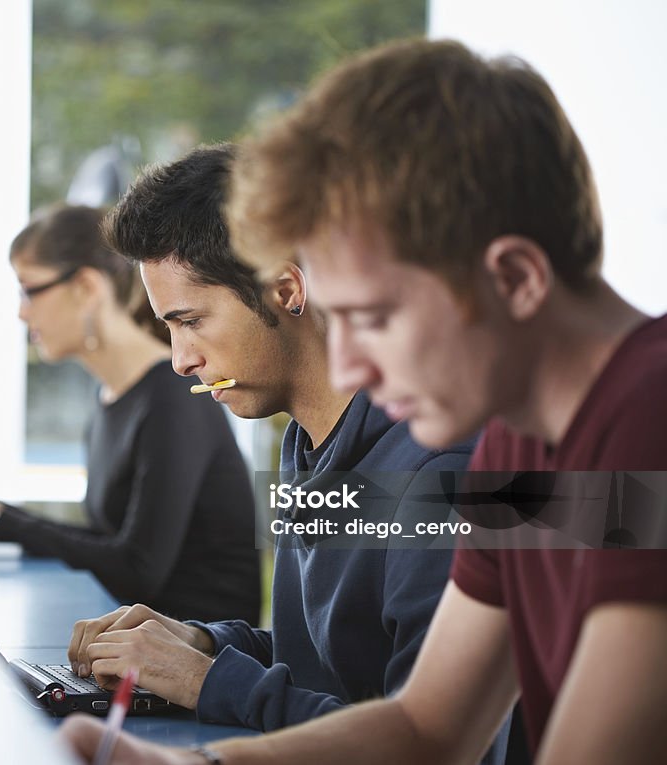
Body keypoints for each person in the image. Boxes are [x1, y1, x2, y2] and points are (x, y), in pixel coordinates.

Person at [59, 40, 667, 764]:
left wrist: (219, 684)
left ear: (514, 278)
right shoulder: (517, 442)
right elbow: (427, 727)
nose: (346, 365)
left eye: (373, 317)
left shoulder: (645, 419)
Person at [65, 145, 509, 759]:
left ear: (286, 289)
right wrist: (202, 642)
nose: (180, 359)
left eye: (190, 320)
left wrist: (211, 682)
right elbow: (326, 663)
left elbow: (431, 741)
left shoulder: (441, 472)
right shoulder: (303, 438)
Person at [0, 204, 260, 624]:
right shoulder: (111, 396)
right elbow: (109, 541)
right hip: (133, 639)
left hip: (195, 660)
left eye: (29, 289)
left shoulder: (174, 397)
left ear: (85, 287)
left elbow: (137, 569)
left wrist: (2, 524)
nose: (21, 311)